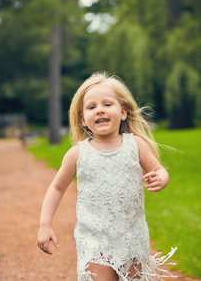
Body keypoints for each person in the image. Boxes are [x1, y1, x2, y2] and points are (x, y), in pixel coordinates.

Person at [37, 72, 177, 281]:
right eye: (92, 107)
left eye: (107, 104)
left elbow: (159, 169)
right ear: (83, 119)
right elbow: (56, 188)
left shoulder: (135, 145)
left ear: (123, 111)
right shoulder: (77, 154)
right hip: (94, 239)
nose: (100, 109)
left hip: (131, 237)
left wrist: (161, 178)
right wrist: (44, 224)